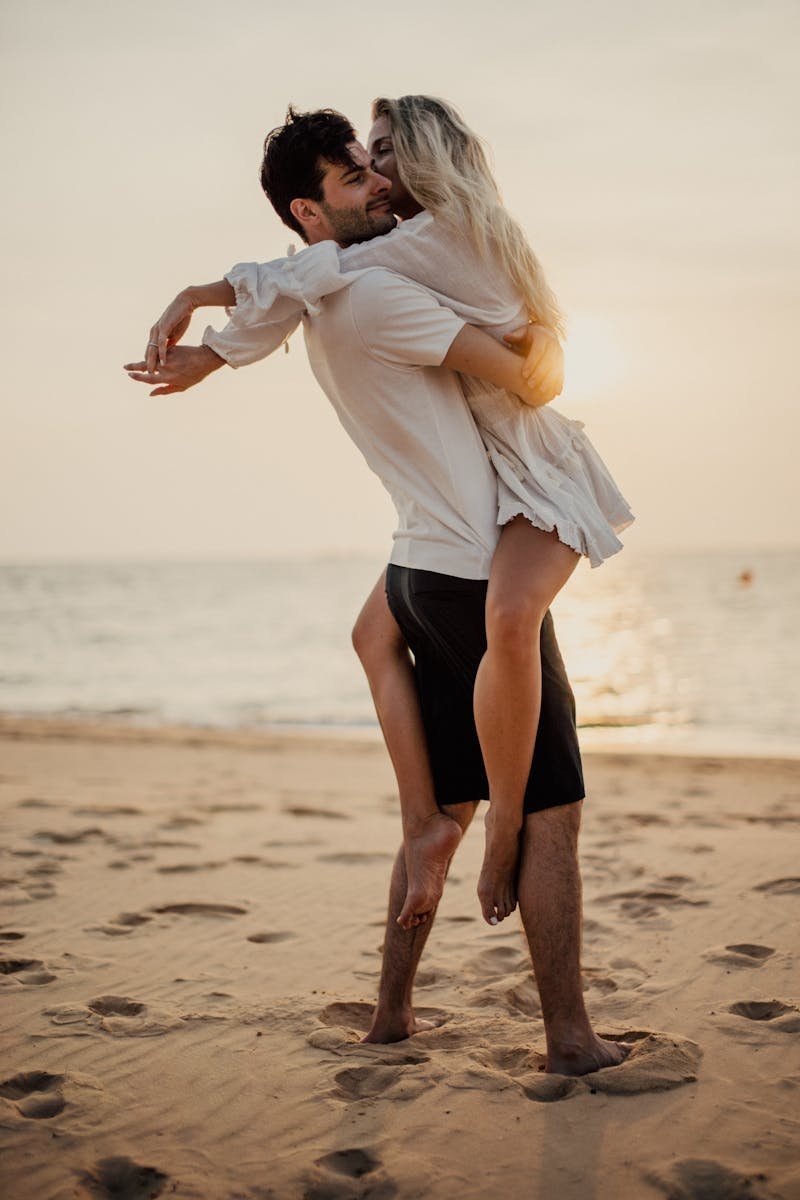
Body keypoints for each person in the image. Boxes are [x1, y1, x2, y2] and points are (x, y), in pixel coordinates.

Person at [125, 106, 632, 1075]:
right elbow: (528, 382)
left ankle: (392, 1012)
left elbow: (285, 281)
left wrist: (209, 329)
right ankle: (568, 1036)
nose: (378, 186)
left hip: (411, 568)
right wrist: (539, 346)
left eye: (376, 165)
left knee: (438, 809)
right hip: (465, 569)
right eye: (358, 177)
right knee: (547, 816)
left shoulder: (329, 288)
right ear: (312, 212)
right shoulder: (378, 291)